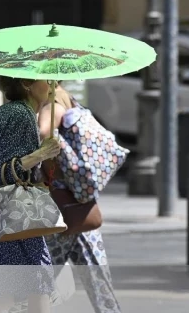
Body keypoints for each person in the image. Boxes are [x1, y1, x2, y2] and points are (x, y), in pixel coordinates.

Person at [0, 76, 62, 313]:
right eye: (47, 79)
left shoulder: (14, 113)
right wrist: (40, 154)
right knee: (32, 286)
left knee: (22, 291)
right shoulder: (19, 115)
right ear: (26, 83)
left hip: (7, 213)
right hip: (14, 214)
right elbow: (2, 171)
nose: (54, 85)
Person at [38, 83, 123, 313]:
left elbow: (44, 132)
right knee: (101, 290)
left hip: (60, 207)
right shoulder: (70, 99)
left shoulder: (52, 101)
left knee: (37, 287)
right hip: (82, 207)